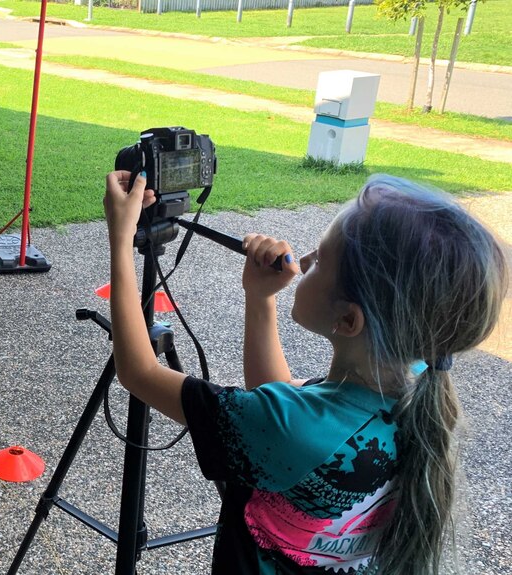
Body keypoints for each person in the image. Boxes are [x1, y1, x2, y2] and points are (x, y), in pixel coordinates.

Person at [104, 171, 507, 574]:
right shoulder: (413, 390)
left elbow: (139, 372)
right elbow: (279, 407)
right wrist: (260, 298)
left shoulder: (294, 427)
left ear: (348, 320)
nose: (305, 261)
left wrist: (121, 240)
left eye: (320, 261)